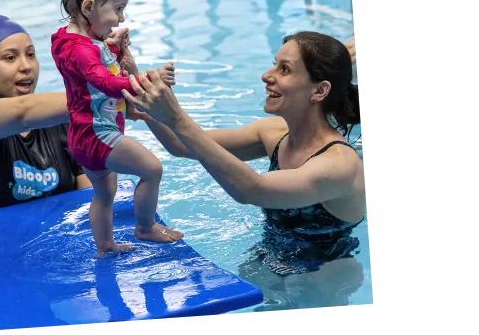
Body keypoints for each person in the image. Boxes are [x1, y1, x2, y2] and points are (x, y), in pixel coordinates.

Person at [122, 31, 366, 273]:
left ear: (320, 91)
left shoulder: (339, 164)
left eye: (285, 69)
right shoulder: (273, 133)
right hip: (268, 258)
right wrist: (135, 82)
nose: (266, 76)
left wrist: (177, 118)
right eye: (274, 65)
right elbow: (181, 144)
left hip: (322, 280)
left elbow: (254, 190)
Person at [50, 0, 184, 258]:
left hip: (84, 135)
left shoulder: (74, 42)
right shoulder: (81, 51)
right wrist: (150, 78)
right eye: (117, 9)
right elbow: (104, 82)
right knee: (152, 169)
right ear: (88, 8)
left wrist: (112, 46)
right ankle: (145, 227)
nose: (121, 19)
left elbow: (94, 66)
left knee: (105, 195)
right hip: (97, 134)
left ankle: (105, 246)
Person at [0, 14, 146, 214]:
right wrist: (113, 94)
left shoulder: (65, 122)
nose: (26, 66)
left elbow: (91, 198)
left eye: (30, 54)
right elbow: (21, 112)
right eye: (10, 58)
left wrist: (112, 68)